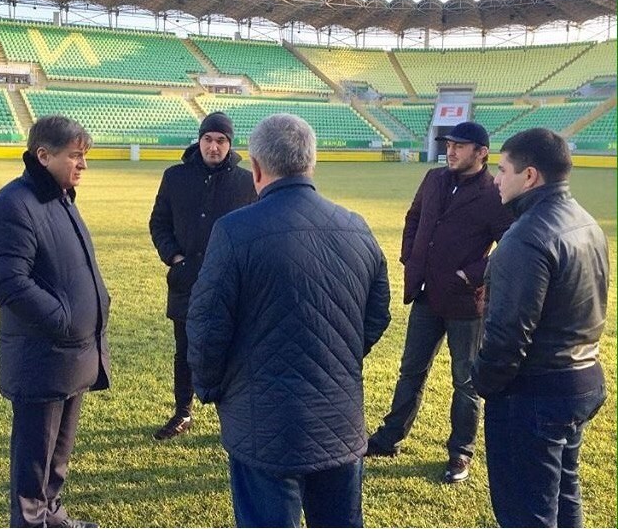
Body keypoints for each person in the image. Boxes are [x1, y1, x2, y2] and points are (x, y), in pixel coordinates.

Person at [186, 113, 391, 527]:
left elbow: (207, 327)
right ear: (310, 163)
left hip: (263, 422)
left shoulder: (233, 231)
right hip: (337, 417)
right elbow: (376, 315)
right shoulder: (356, 227)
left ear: (257, 169)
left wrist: (210, 387)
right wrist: (336, 356)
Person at [472, 128, 609, 527]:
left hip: (535, 393)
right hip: (580, 379)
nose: (496, 179)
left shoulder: (527, 237)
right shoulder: (586, 222)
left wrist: (481, 380)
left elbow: (507, 335)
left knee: (527, 513)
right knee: (565, 501)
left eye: (502, 170)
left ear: (529, 176)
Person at [366, 121, 514, 483]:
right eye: (449, 145)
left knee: (466, 381)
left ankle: (461, 451)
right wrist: (409, 257)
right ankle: (390, 437)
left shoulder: (493, 191)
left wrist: (471, 275)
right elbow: (414, 217)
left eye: (460, 146)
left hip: (466, 303)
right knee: (410, 371)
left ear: (481, 153)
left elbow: (510, 243)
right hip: (426, 295)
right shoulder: (433, 179)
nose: (451, 151)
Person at [0, 115, 111, 528]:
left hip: (72, 355)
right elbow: (7, 282)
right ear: (43, 155)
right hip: (42, 358)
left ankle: (51, 517)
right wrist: (66, 319)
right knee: (33, 463)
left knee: (57, 457)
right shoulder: (14, 203)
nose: (83, 165)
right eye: (75, 156)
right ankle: (30, 522)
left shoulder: (61, 197)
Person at [149, 111, 257, 440]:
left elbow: (255, 229)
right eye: (208, 139)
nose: (214, 146)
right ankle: (183, 413)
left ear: (230, 144)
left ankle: (235, 416)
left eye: (221, 140)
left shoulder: (244, 181)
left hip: (229, 285)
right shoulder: (175, 177)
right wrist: (175, 257)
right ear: (199, 140)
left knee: (233, 349)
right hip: (185, 280)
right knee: (185, 350)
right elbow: (159, 222)